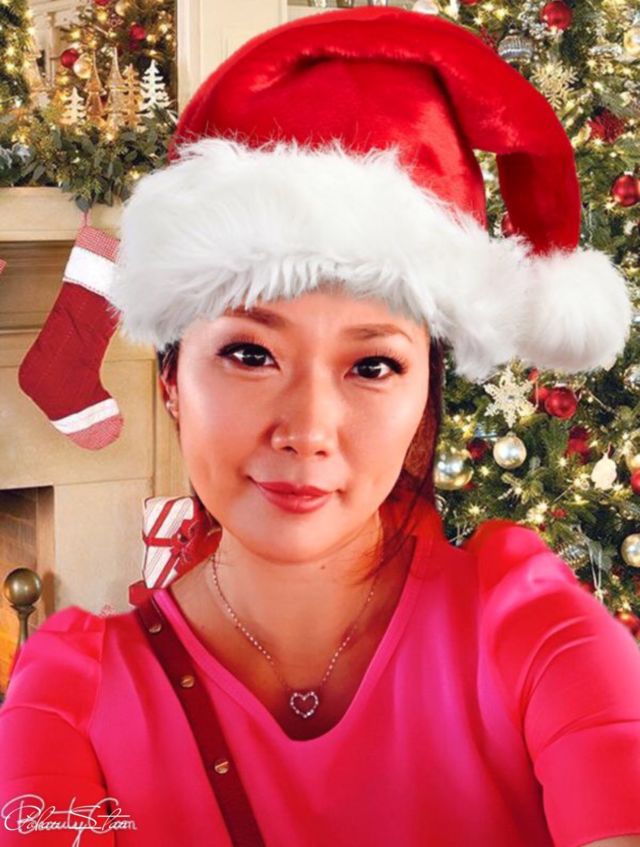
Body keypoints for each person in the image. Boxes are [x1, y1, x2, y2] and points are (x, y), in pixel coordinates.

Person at [1, 6, 639, 847]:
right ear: (172, 381)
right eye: (250, 354)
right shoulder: (69, 694)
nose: (307, 429)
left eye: (372, 366)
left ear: (426, 392)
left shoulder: (527, 626)